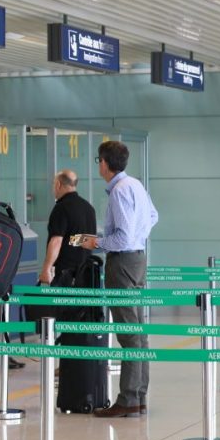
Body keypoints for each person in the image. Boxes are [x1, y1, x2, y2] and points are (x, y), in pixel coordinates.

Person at [81, 141, 158, 418]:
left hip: (123, 262)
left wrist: (96, 243)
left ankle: (128, 399)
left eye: (97, 160)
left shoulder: (118, 191)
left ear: (104, 163)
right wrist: (138, 235)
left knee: (128, 333)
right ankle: (138, 396)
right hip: (138, 258)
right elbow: (153, 215)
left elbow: (121, 237)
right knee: (138, 331)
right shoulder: (135, 185)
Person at [38, 169, 97, 287]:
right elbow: (88, 241)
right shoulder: (89, 208)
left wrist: (46, 268)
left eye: (53, 184)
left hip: (65, 276)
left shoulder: (61, 208)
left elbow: (56, 241)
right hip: (86, 275)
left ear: (58, 185)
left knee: (62, 305)